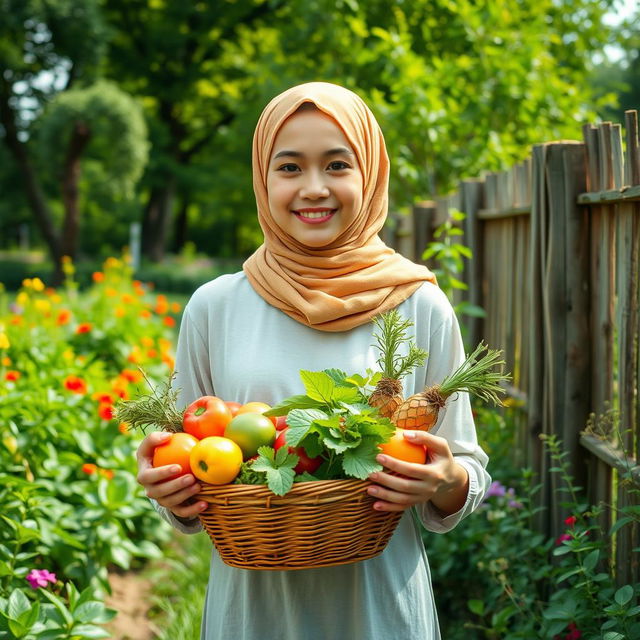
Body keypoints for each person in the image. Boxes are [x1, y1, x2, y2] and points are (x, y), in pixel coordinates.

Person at [135, 82, 490, 640]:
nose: (314, 188)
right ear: (263, 177)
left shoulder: (418, 301)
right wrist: (171, 492)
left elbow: (465, 472)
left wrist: (443, 478)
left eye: (338, 164)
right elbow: (189, 475)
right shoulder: (215, 307)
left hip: (378, 609)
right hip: (254, 614)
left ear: (369, 174)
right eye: (290, 167)